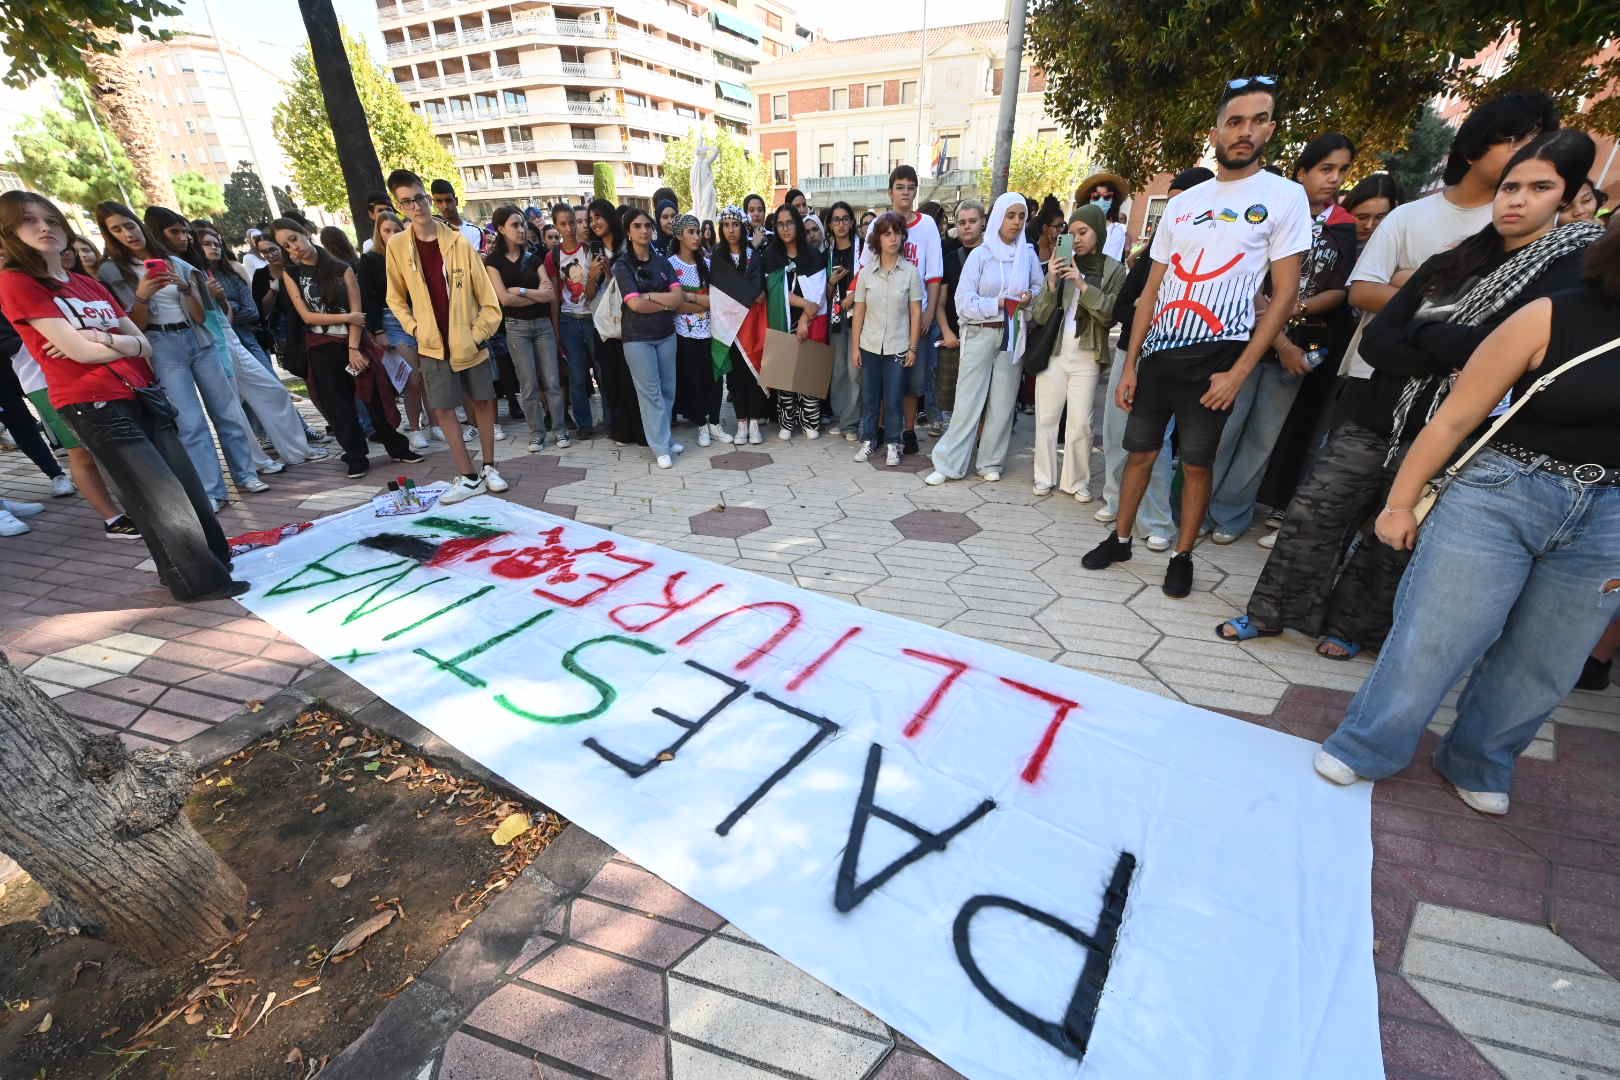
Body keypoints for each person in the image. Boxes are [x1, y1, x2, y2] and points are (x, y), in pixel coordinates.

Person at [1221, 129, 1598, 657]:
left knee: (1395, 535)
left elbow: (1516, 357)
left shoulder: (1570, 274)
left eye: (1538, 188)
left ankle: (1351, 630)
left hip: (1461, 433)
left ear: (1567, 194)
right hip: (1379, 413)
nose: (1517, 199)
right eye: (1510, 186)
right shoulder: (1454, 261)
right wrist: (1459, 346)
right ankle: (1273, 613)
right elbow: (1379, 340)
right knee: (1314, 511)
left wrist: (1429, 336)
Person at [1312, 209, 1620, 817]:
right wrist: (1401, 503)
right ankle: (1369, 743)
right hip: (1504, 490)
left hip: (1610, 516)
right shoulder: (1553, 313)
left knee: (1549, 659)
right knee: (1436, 634)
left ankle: (1480, 760)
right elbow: (1454, 418)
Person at [1085, 76, 1311, 599]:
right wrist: (1133, 363)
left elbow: (1282, 296)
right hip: (1160, 352)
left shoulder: (1284, 197)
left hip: (1219, 356)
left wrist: (1240, 372)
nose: (1245, 131)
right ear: (1216, 131)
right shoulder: (1185, 204)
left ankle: (1183, 555)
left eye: (1257, 121)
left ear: (1271, 129)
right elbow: (1150, 291)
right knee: (1137, 451)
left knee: (1195, 462)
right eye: (1235, 121)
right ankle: (1120, 539)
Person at [0, 191, 244, 598]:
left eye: (51, 220)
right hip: (92, 402)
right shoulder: (17, 282)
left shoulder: (84, 282)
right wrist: (113, 342)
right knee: (158, 496)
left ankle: (212, 561)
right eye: (28, 221)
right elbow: (77, 353)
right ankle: (197, 583)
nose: (44, 228)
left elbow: (141, 344)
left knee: (185, 484)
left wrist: (100, 337)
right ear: (9, 232)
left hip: (140, 390)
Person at [1203, 133, 1359, 543]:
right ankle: (1197, 507)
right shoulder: (1266, 211)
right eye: (1325, 169)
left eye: (1342, 171)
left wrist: (1296, 310)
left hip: (1299, 351)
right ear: (1302, 172)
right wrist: (1279, 335)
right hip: (1246, 340)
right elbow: (1243, 277)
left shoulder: (1343, 227)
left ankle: (1231, 513)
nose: (1334, 179)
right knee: (1224, 429)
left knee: (1262, 437)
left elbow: (1341, 290)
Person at [95, 202, 265, 511]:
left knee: (226, 410)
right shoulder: (111, 271)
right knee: (190, 421)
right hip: (160, 344)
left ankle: (246, 474)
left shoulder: (177, 263)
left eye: (129, 225)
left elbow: (201, 317)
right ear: (108, 235)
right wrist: (143, 293)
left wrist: (186, 289)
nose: (127, 233)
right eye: (116, 229)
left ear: (140, 224)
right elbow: (134, 324)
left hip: (197, 338)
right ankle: (213, 491)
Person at [1094, 167, 1213, 549]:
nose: (1175, 209)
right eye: (1172, 199)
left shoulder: (1209, 256)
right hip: (1133, 351)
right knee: (1117, 436)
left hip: (1175, 359)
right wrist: (1150, 312)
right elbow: (1124, 306)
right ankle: (1115, 500)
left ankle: (1156, 520)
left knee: (1155, 447)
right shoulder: (1150, 254)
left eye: (1183, 200)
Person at [385, 169, 505, 503]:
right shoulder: (397, 247)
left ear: (427, 196)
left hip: (468, 339)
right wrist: (415, 328)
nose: (417, 206)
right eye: (407, 202)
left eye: (419, 198)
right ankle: (468, 475)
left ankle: (489, 467)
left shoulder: (457, 241)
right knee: (443, 408)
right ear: (400, 205)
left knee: (482, 400)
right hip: (432, 343)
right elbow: (394, 298)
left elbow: (489, 300)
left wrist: (476, 333)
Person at [273, 217, 420, 478]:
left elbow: (358, 313)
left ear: (305, 233)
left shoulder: (342, 268)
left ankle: (396, 446)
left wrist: (353, 348)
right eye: (285, 246)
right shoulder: (291, 274)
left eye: (294, 239)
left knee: (373, 395)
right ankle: (355, 455)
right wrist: (346, 318)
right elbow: (307, 317)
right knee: (337, 404)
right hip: (319, 345)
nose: (293, 248)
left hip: (352, 342)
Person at [925, 192, 1042, 486]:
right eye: (1010, 215)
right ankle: (949, 463)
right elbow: (963, 302)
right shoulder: (981, 254)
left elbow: (1040, 290)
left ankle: (990, 461)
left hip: (1013, 331)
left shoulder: (1027, 255)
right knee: (967, 401)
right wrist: (998, 304)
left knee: (1002, 403)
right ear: (998, 217)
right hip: (980, 332)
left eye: (1021, 216)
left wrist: (1029, 297)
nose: (1016, 222)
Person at [192, 223, 329, 470]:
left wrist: (223, 299)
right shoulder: (192, 273)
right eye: (207, 244)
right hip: (212, 342)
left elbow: (249, 311)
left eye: (216, 242)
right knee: (233, 406)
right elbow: (201, 315)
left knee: (273, 390)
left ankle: (297, 449)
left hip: (240, 337)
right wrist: (218, 301)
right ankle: (255, 462)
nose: (214, 248)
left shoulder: (230, 272)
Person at [1027, 203, 1126, 498]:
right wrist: (1052, 280)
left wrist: (1082, 285)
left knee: (1081, 422)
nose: (1078, 239)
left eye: (1083, 232)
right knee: (1046, 417)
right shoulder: (1060, 262)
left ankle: (1076, 482)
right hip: (1055, 350)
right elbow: (1041, 315)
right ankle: (1043, 476)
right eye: (1071, 233)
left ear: (1098, 231)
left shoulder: (1113, 269)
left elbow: (1110, 314)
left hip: (1087, 352)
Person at [864, 166, 942, 455]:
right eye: (900, 187)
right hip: (883, 316)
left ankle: (908, 430)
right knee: (884, 376)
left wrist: (929, 312)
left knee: (913, 377)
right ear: (890, 191)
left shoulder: (928, 226)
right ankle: (883, 429)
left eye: (910, 187)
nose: (905, 192)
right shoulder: (878, 226)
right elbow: (865, 270)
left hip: (915, 315)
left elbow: (934, 275)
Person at [485, 205, 566, 452]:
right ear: (501, 229)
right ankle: (536, 432)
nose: (521, 230)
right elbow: (504, 299)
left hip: (542, 325)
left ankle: (560, 430)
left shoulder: (534, 256)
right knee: (528, 383)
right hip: (516, 327)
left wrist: (520, 291)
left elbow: (549, 294)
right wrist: (535, 295)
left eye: (522, 224)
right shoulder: (494, 261)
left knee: (552, 380)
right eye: (514, 225)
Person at [851, 211, 923, 467]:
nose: (893, 238)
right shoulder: (867, 273)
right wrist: (855, 347)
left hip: (898, 346)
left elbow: (916, 312)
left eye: (897, 232)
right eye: (887, 233)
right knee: (870, 398)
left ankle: (894, 443)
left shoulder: (911, 273)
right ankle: (869, 440)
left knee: (893, 398)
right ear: (877, 240)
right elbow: (859, 311)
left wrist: (913, 348)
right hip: (869, 345)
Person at [613, 207, 684, 469]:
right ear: (629, 232)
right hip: (637, 339)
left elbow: (678, 298)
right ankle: (659, 446)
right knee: (650, 394)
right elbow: (634, 305)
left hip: (665, 335)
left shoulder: (662, 261)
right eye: (637, 226)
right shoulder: (622, 265)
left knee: (668, 390)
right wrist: (663, 300)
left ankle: (664, 438)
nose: (644, 231)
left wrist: (651, 298)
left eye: (647, 226)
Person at [359, 211, 431, 451]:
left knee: (430, 374)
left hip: (421, 317)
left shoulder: (413, 255)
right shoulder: (371, 260)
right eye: (386, 230)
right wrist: (377, 330)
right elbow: (367, 298)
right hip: (391, 320)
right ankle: (415, 427)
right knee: (413, 378)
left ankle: (438, 423)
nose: (392, 235)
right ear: (378, 234)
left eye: (396, 230)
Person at [586, 198, 644, 447]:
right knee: (610, 379)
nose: (594, 223)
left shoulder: (626, 249)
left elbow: (631, 287)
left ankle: (640, 430)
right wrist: (592, 276)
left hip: (630, 325)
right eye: (591, 219)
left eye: (598, 217)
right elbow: (587, 296)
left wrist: (612, 272)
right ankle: (620, 430)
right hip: (604, 328)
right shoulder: (591, 252)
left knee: (633, 380)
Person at [764, 202, 825, 440]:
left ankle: (810, 421)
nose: (785, 228)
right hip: (782, 320)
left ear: (797, 224)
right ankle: (787, 422)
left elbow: (818, 295)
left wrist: (804, 320)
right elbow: (775, 292)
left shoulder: (813, 255)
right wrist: (802, 305)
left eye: (789, 223)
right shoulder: (771, 255)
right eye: (780, 224)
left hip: (811, 321)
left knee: (808, 373)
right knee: (784, 376)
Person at [666, 214, 726, 447]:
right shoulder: (670, 264)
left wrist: (691, 298)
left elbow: (717, 301)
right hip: (686, 334)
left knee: (716, 378)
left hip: (712, 332)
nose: (696, 236)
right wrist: (701, 301)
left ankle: (716, 423)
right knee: (695, 380)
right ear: (679, 235)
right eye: (691, 231)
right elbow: (675, 304)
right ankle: (701, 424)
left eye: (698, 231)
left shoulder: (708, 264)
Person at [715, 206, 769, 444]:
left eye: (735, 225)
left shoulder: (753, 255)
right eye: (726, 225)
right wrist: (744, 291)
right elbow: (721, 288)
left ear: (743, 227)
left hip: (752, 323)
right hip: (729, 326)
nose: (731, 230)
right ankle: (741, 423)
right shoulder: (718, 256)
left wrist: (742, 291)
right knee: (735, 376)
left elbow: (758, 289)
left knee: (753, 373)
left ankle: (755, 422)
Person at [546, 203, 599, 438]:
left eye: (573, 222)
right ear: (556, 226)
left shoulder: (588, 250)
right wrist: (556, 327)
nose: (569, 228)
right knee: (577, 374)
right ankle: (584, 424)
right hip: (568, 319)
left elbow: (595, 288)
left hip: (592, 317)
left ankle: (609, 418)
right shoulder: (553, 256)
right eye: (563, 224)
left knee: (601, 371)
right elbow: (555, 295)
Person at [824, 200, 862, 438]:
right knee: (838, 370)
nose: (841, 224)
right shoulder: (825, 254)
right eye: (836, 219)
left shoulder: (862, 249)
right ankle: (842, 416)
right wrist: (832, 281)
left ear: (851, 222)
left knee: (855, 370)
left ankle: (851, 422)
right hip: (835, 320)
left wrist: (854, 295)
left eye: (845, 219)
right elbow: (822, 295)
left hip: (859, 318)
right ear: (830, 224)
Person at [1075, 172, 1131, 262]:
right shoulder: (1075, 227)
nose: (1101, 201)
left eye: (1107, 196)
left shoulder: (1117, 230)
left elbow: (1108, 266)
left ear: (1113, 201)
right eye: (1096, 197)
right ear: (1088, 200)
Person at [430, 179, 485, 254]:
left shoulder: (475, 231)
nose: (445, 206)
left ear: (456, 201)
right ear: (435, 203)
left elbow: (477, 261)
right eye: (439, 201)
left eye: (448, 200)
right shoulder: (433, 234)